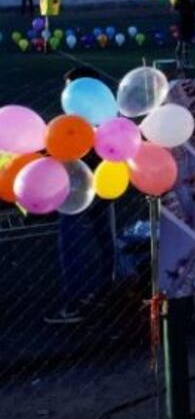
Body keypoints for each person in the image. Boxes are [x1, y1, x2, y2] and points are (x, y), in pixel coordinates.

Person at [45, 67, 116, 324]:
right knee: (104, 240)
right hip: (104, 189)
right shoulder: (108, 117)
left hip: (78, 193)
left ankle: (73, 303)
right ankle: (105, 292)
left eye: (68, 87)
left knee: (72, 245)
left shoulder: (76, 122)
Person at [173, 0, 195, 70]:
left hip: (182, 24)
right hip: (188, 25)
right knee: (185, 44)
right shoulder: (187, 3)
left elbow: (175, 6)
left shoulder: (180, 2)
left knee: (180, 43)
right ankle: (185, 62)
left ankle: (179, 62)